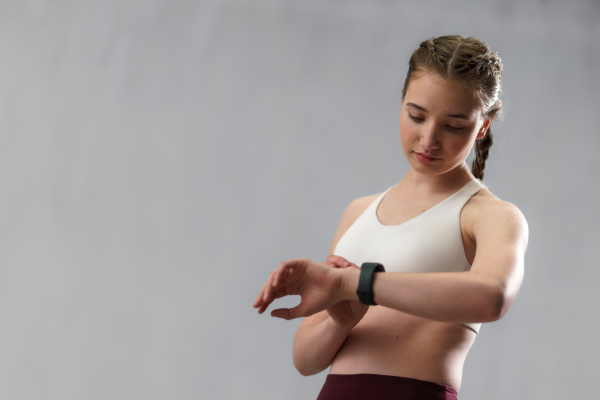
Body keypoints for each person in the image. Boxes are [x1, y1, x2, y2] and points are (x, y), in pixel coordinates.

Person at [253, 35, 528, 400]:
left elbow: (492, 297)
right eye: (416, 116)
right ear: (401, 104)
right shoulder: (358, 211)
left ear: (482, 127)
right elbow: (305, 360)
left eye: (454, 126)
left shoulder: (491, 216)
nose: (428, 139)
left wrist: (355, 284)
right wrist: (341, 320)